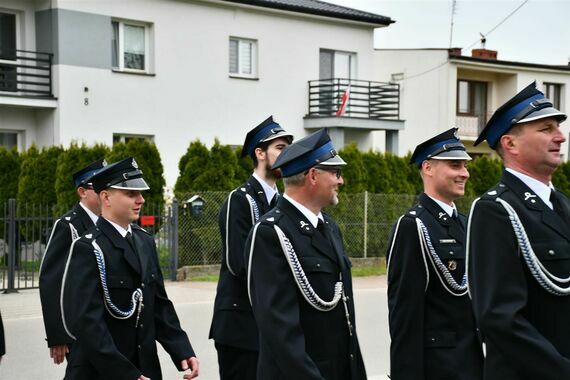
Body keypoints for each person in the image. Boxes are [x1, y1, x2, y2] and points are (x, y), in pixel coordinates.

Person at [60, 157, 199, 380]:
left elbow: (158, 305)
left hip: (144, 368)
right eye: (130, 194)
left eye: (141, 193)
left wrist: (182, 349)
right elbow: (88, 324)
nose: (141, 199)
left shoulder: (144, 241)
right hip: (101, 372)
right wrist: (125, 373)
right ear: (105, 197)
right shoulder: (88, 247)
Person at [245, 128, 366, 380]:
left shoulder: (329, 227)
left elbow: (344, 321)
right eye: (335, 173)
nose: (340, 181)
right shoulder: (271, 232)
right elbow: (280, 331)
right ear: (313, 175)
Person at [467, 82, 570, 379]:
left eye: (558, 128)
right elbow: (499, 317)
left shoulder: (561, 205)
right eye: (546, 129)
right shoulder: (496, 210)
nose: (560, 137)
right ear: (510, 144)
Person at [386, 128, 483, 380]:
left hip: (473, 362)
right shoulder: (413, 225)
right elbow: (404, 316)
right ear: (428, 168)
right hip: (438, 367)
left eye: (464, 166)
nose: (465, 173)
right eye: (455, 165)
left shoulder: (465, 223)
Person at [209, 115, 293, 379]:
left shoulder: (284, 203)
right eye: (280, 148)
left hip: (271, 323)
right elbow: (238, 263)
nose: (286, 154)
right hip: (241, 326)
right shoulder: (240, 200)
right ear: (260, 153)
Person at [39, 158, 107, 365]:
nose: (106, 193)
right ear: (82, 192)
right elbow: (51, 281)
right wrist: (59, 334)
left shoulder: (111, 222)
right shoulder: (69, 225)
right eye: (99, 188)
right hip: (78, 328)